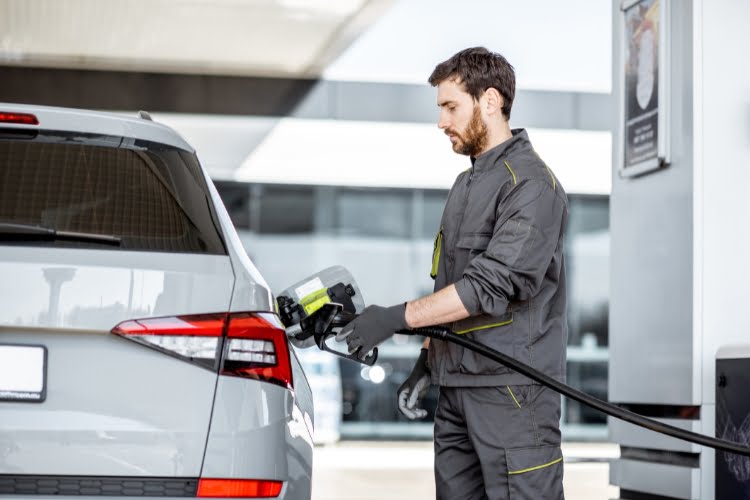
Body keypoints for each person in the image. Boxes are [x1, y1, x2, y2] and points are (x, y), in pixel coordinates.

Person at [337, 47, 568, 499]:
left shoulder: (531, 185)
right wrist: (429, 357)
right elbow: (451, 286)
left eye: (450, 107)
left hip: (512, 394)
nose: (441, 122)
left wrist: (394, 317)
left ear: (490, 101)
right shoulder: (466, 183)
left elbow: (487, 286)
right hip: (458, 385)